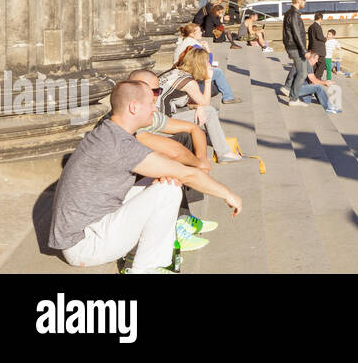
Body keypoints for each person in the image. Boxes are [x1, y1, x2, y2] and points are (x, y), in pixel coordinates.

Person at [49, 80, 242, 273]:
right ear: (134, 107)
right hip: (85, 246)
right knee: (169, 191)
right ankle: (147, 267)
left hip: (88, 230)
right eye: (150, 103)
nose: (154, 107)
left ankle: (142, 255)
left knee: (165, 182)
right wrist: (228, 194)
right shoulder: (120, 144)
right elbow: (187, 173)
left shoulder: (109, 131)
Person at [157, 47, 242, 162]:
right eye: (207, 62)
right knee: (210, 112)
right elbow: (206, 104)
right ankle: (224, 153)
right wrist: (208, 80)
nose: (209, 64)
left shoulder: (174, 72)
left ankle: (216, 142)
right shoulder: (189, 82)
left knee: (203, 122)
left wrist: (198, 107)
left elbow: (185, 103)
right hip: (162, 124)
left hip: (157, 118)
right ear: (200, 64)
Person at [173, 21, 241, 105]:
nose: (201, 32)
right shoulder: (193, 45)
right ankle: (228, 97)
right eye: (199, 31)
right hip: (189, 74)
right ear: (192, 34)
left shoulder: (185, 42)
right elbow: (208, 62)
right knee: (218, 72)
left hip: (182, 72)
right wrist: (208, 49)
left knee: (215, 79)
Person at [281, 0, 311, 106]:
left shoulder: (290, 13)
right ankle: (293, 99)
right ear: (298, 1)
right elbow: (297, 34)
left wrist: (287, 47)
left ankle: (293, 95)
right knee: (302, 73)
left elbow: (285, 33)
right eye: (304, 0)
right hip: (297, 48)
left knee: (301, 72)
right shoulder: (294, 14)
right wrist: (304, 51)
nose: (305, 2)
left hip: (292, 47)